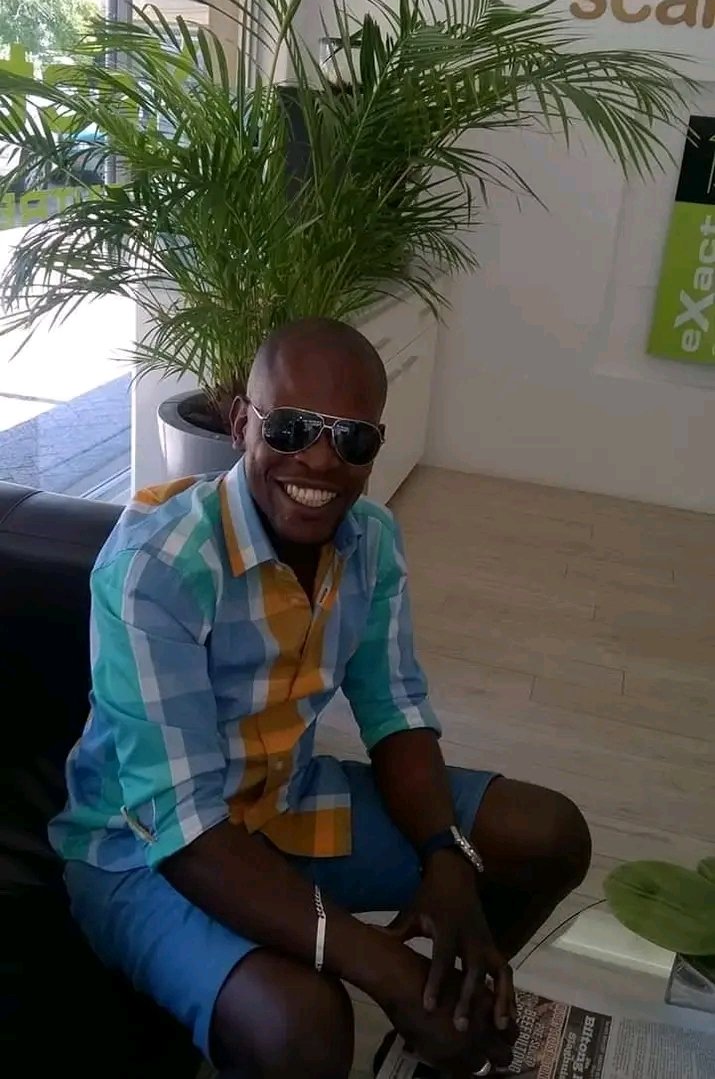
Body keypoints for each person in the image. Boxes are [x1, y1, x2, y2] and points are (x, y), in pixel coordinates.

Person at [50, 318, 591, 1078]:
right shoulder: (158, 564)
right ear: (241, 423)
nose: (319, 459)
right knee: (303, 1025)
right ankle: (422, 1008)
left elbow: (395, 711)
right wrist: (380, 962)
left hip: (288, 803)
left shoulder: (370, 539)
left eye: (353, 439)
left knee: (546, 834)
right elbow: (182, 826)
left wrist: (446, 852)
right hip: (142, 855)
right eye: (291, 428)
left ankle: (444, 1031)